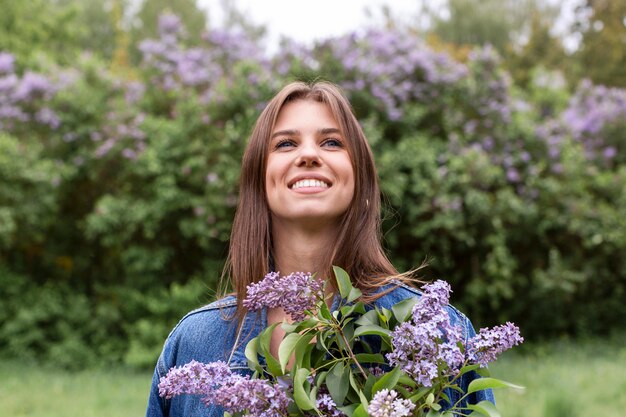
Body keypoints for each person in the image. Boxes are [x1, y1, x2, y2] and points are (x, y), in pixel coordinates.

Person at [145, 81, 494, 417]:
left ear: (361, 179)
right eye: (284, 144)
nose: (309, 154)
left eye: (331, 142)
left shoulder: (442, 333)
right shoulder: (194, 345)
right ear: (258, 181)